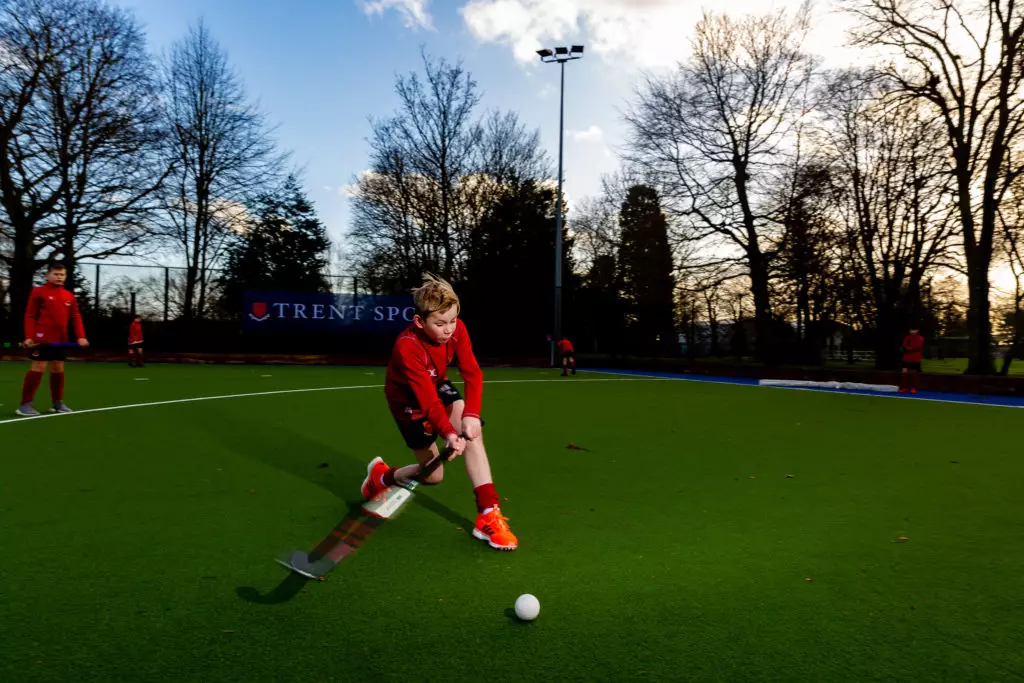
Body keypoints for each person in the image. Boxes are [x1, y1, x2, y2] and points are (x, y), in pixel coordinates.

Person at [360, 274, 518, 551]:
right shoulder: (407, 346)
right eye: (440, 324)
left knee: (471, 430)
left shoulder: (457, 330)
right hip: (408, 402)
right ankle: (384, 477)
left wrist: (470, 414)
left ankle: (487, 513)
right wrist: (447, 433)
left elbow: (472, 373)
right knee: (433, 475)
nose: (449, 331)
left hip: (438, 385)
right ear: (420, 321)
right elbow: (428, 401)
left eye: (453, 321)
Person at [17, 262, 89, 416]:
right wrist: (29, 336)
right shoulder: (38, 292)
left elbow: (76, 316)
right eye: (56, 274)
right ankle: (24, 405)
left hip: (60, 339)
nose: (59, 277)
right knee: (39, 367)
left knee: (58, 369)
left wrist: (81, 336)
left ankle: (57, 403)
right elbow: (30, 315)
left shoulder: (69, 295)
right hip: (41, 339)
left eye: (62, 274)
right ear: (48, 275)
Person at [900, 326, 925, 394]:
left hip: (915, 358)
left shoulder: (921, 338)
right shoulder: (907, 338)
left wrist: (909, 348)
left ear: (917, 330)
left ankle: (913, 388)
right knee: (904, 373)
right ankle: (904, 388)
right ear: (909, 331)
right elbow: (904, 346)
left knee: (914, 373)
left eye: (914, 330)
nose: (913, 331)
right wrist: (909, 348)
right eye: (911, 330)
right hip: (906, 358)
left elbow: (918, 347)